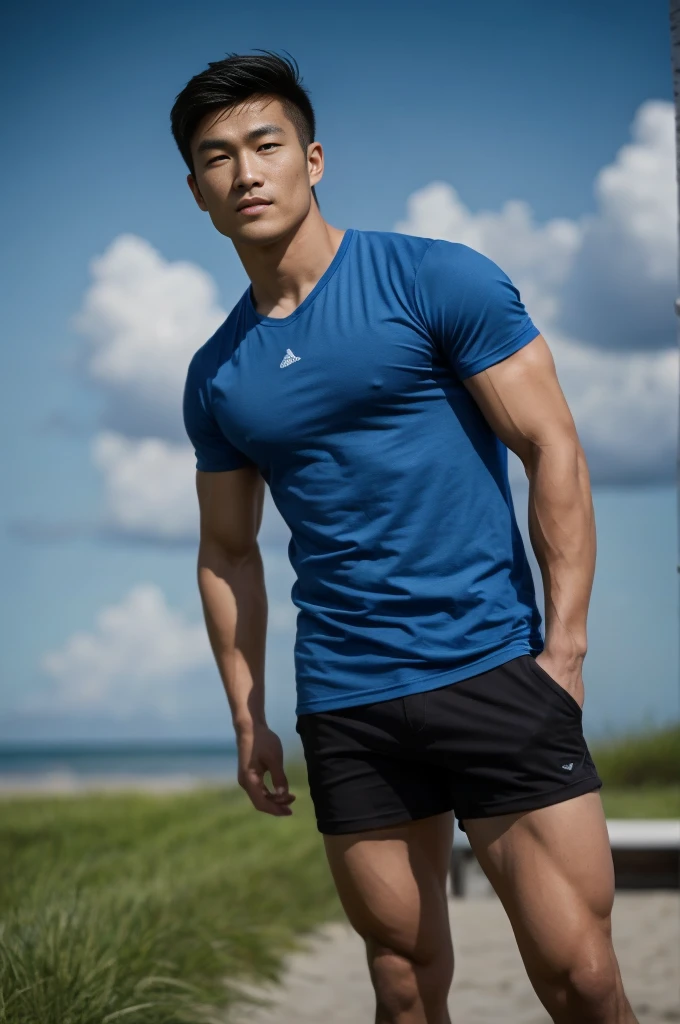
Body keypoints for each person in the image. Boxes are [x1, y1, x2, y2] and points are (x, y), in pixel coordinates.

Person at [172, 50, 636, 1024]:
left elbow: (551, 445)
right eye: (217, 157)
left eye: (265, 144)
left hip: (492, 666)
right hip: (349, 702)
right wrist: (248, 713)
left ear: (314, 158)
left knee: (581, 976)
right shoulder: (219, 374)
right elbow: (226, 549)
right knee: (399, 978)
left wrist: (564, 641)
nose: (245, 171)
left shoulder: (432, 278)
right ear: (197, 191)